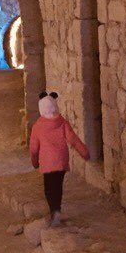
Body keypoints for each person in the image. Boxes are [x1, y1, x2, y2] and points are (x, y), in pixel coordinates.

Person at [29, 91, 89, 227]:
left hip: (47, 164)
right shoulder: (62, 122)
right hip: (61, 161)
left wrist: (34, 162)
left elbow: (33, 149)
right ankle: (57, 210)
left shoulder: (37, 126)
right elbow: (73, 140)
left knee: (49, 188)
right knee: (58, 186)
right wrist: (84, 152)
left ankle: (54, 211)